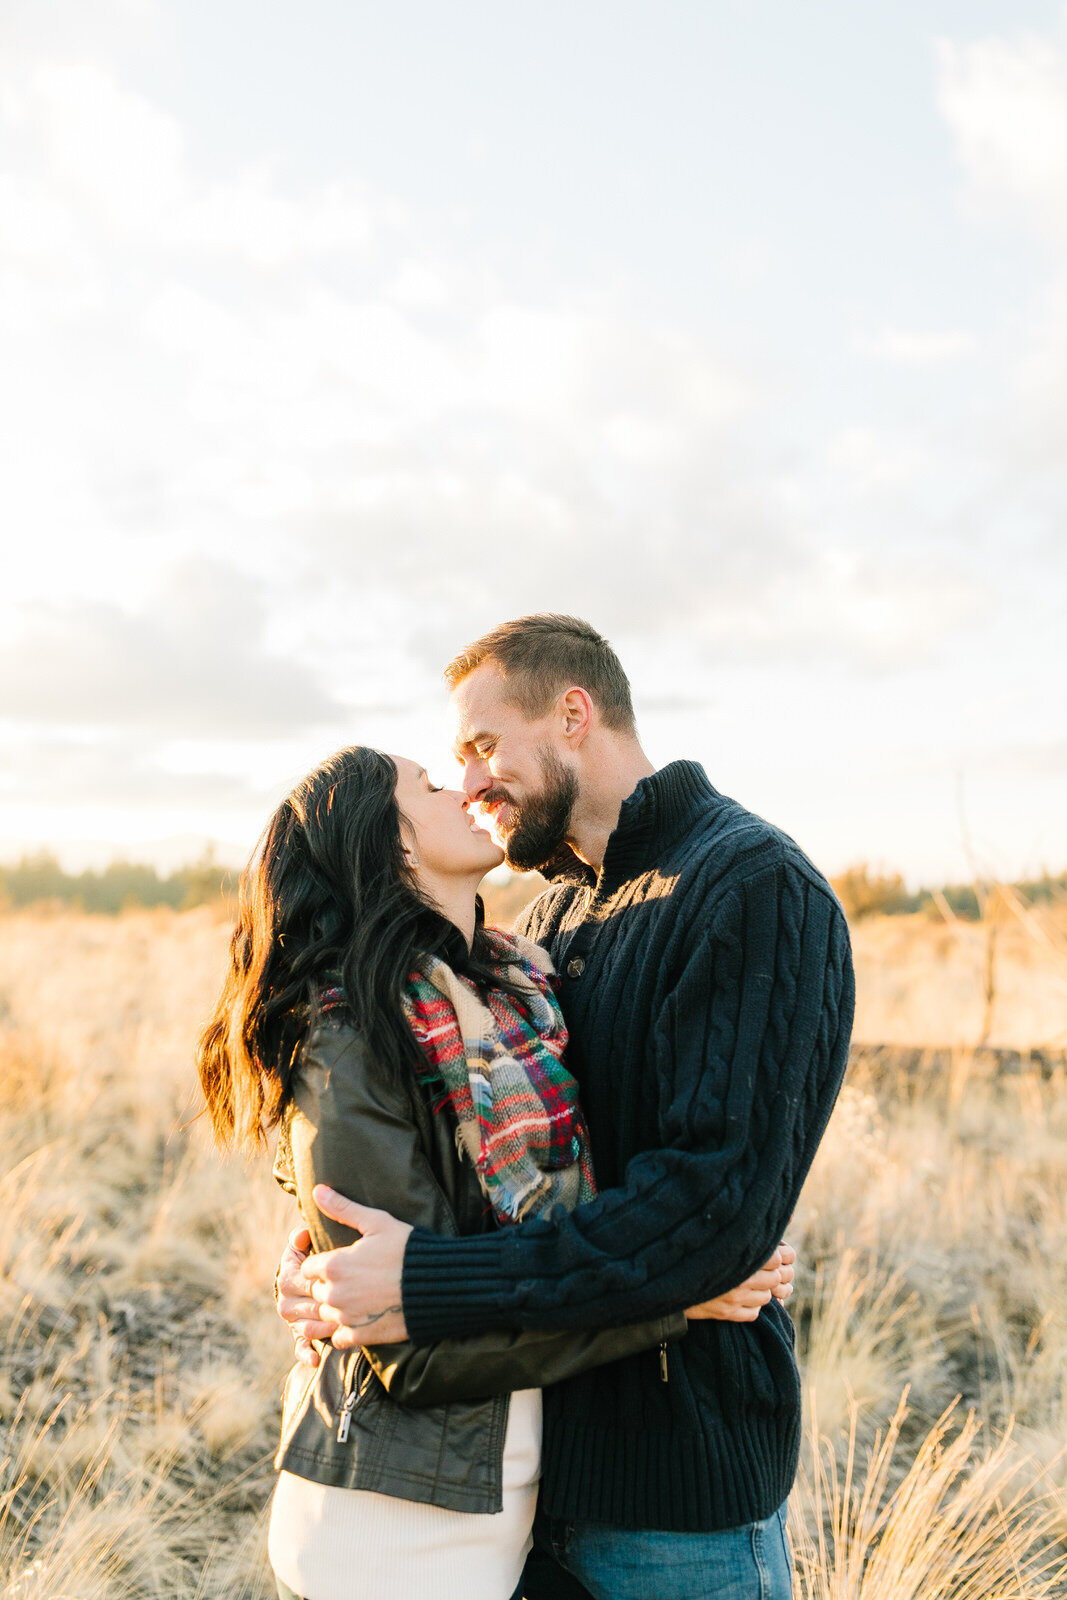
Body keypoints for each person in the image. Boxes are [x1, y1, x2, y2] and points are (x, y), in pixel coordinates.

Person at [280, 614, 855, 1600]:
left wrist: (426, 1284)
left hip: (670, 1506)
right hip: (522, 1490)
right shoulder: (542, 925)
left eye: (481, 746)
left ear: (572, 715)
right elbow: (467, 1174)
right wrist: (327, 1255)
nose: (469, 783)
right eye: (452, 765)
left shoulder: (750, 888)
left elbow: (706, 1211)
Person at [197, 744, 795, 1600]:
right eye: (432, 786)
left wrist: (696, 1236)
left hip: (500, 1508)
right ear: (390, 844)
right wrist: (673, 1294)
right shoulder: (348, 1037)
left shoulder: (515, 996)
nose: (465, 789)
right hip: (394, 1526)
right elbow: (412, 1341)